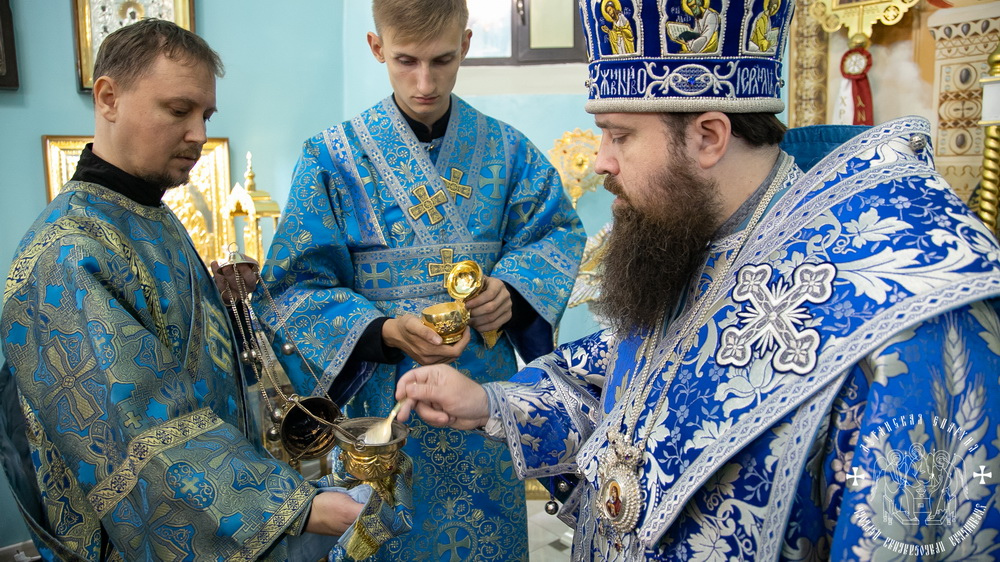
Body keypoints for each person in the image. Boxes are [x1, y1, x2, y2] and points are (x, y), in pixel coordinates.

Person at [394, 0, 1000, 559]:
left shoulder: (915, 314)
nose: (601, 160)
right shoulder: (697, 233)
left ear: (709, 137)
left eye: (620, 135)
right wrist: (492, 402)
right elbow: (630, 392)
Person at [0, 19, 407, 561]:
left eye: (205, 116)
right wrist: (295, 508)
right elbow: (138, 432)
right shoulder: (68, 255)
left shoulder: (149, 216)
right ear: (108, 98)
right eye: (178, 110)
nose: (198, 133)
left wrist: (222, 305)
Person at [257, 0, 585, 559]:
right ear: (376, 47)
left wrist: (510, 290)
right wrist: (383, 332)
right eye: (406, 60)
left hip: (483, 408)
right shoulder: (331, 159)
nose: (425, 83)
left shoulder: (508, 151)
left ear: (466, 44)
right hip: (381, 416)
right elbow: (291, 286)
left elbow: (554, 232)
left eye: (442, 60)